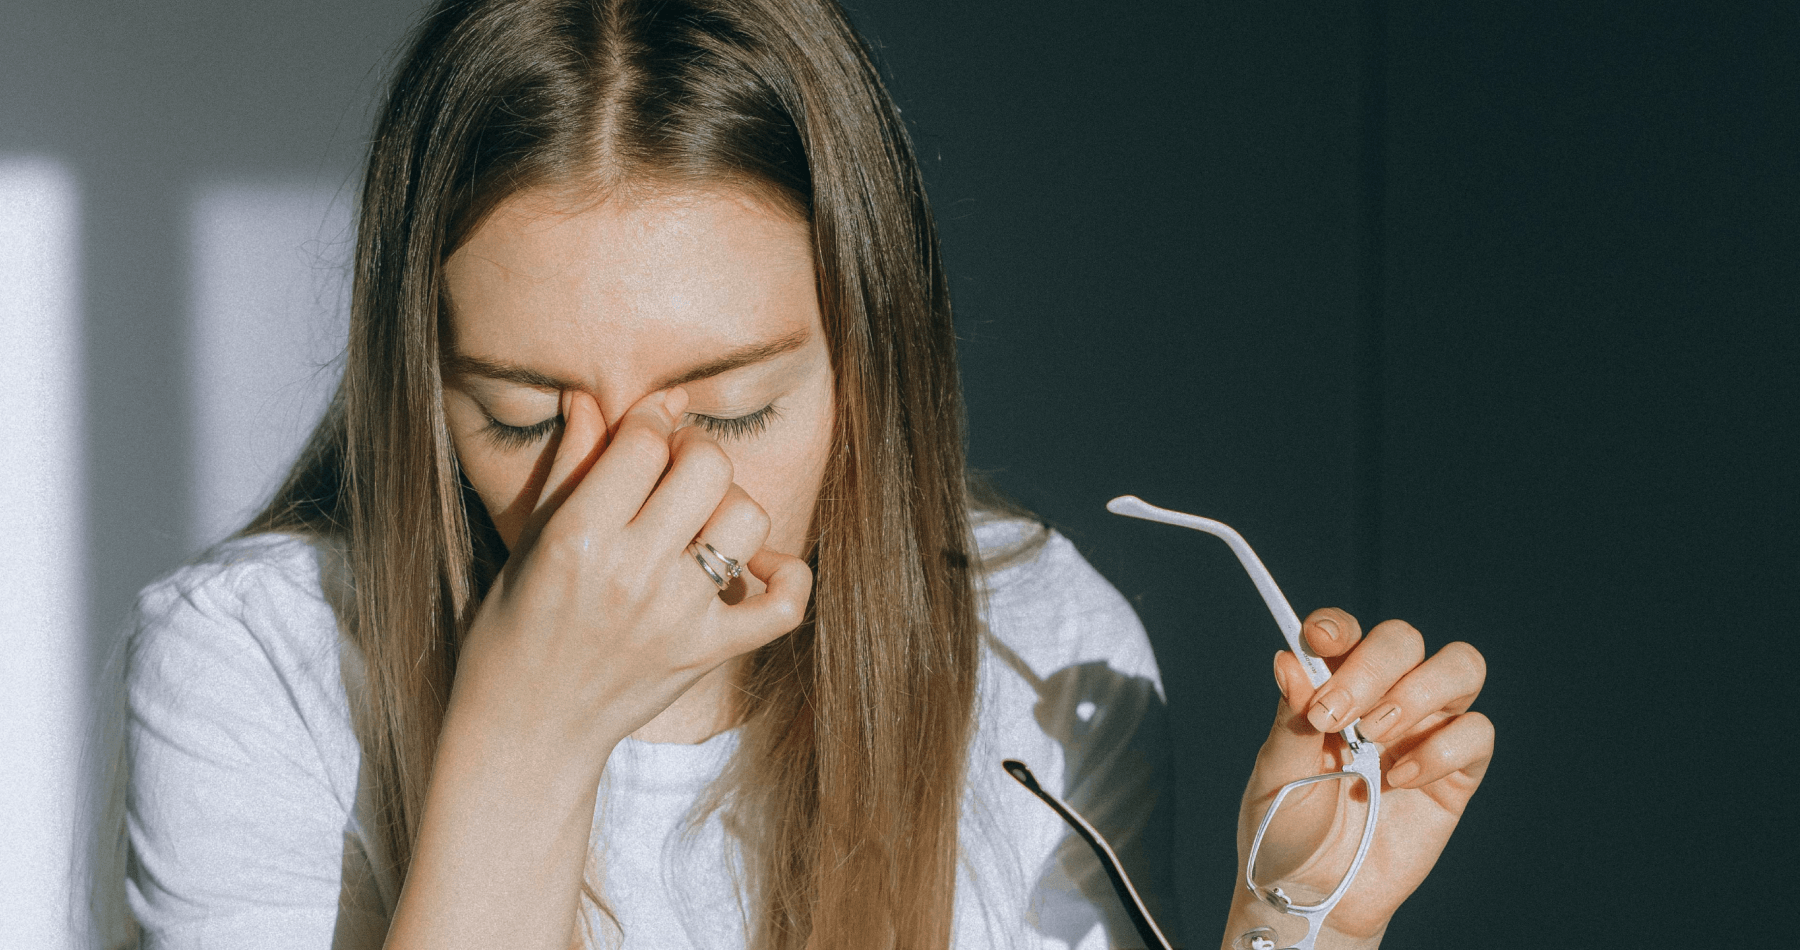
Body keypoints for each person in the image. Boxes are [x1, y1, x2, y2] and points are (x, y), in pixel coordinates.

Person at [121, 1, 1494, 948]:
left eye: (726, 414)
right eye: (529, 421)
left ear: (869, 364)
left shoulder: (1037, 644)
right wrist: (526, 735)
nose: (627, 513)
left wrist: (1300, 919)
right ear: (419, 384)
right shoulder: (259, 659)